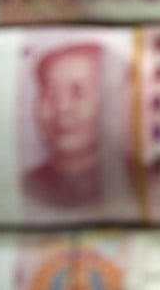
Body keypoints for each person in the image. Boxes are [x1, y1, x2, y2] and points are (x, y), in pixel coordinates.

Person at [23, 43, 105, 207]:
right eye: (50, 93)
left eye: (79, 92)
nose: (62, 108)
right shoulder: (27, 187)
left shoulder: (143, 183)